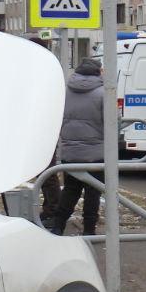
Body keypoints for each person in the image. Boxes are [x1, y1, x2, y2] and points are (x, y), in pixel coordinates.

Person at [52, 58, 105, 236]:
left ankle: (58, 226)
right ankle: (89, 230)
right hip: (96, 153)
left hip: (70, 151)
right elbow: (113, 122)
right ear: (98, 72)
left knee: (70, 191)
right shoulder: (103, 93)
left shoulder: (65, 91)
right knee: (93, 193)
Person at [31, 36, 61, 227]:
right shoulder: (44, 69)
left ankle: (52, 209)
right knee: (44, 171)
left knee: (46, 171)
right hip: (40, 127)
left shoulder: (43, 71)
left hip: (43, 128)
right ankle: (51, 207)